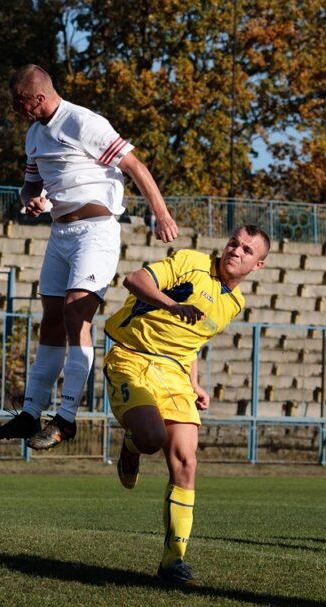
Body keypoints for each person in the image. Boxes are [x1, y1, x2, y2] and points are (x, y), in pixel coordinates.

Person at [0, 64, 179, 450]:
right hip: (60, 233)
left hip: (96, 231)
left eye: (19, 102)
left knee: (77, 313)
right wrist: (33, 201)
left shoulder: (83, 122)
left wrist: (162, 214)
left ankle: (67, 418)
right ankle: (30, 414)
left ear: (38, 98)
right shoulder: (33, 135)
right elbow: (28, 187)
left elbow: (135, 167)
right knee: (52, 320)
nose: (16, 110)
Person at [104, 225, 269, 584]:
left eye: (246, 250)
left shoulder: (234, 303)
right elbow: (133, 280)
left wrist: (195, 383)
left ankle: (172, 560)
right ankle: (133, 445)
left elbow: (193, 341)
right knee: (150, 438)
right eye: (233, 243)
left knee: (187, 462)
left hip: (176, 374)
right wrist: (172, 304)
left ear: (257, 266)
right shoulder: (191, 262)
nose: (236, 251)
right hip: (133, 358)